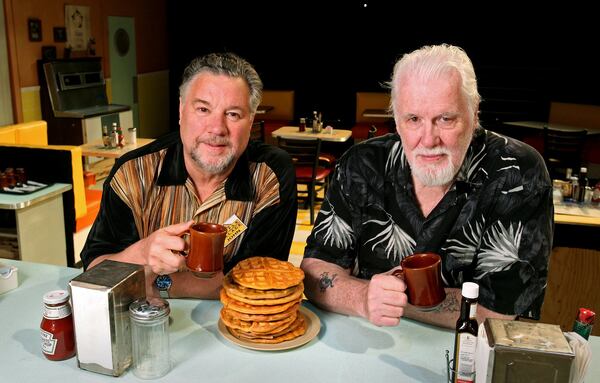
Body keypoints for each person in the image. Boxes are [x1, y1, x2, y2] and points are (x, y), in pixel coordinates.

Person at [301, 44, 553, 329]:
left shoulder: (518, 172)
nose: (429, 139)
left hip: (469, 352)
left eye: (445, 119)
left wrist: (395, 300)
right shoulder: (361, 164)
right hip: (370, 344)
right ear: (396, 119)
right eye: (413, 119)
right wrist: (361, 297)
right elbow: (315, 270)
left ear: (474, 114)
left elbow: (500, 312)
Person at [81, 52, 297, 299]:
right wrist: (142, 253)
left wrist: (150, 282)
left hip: (235, 329)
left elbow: (261, 286)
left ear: (251, 122)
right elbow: (93, 275)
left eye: (233, 114)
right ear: (182, 111)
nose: (217, 128)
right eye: (203, 109)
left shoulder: (270, 177)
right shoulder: (132, 172)